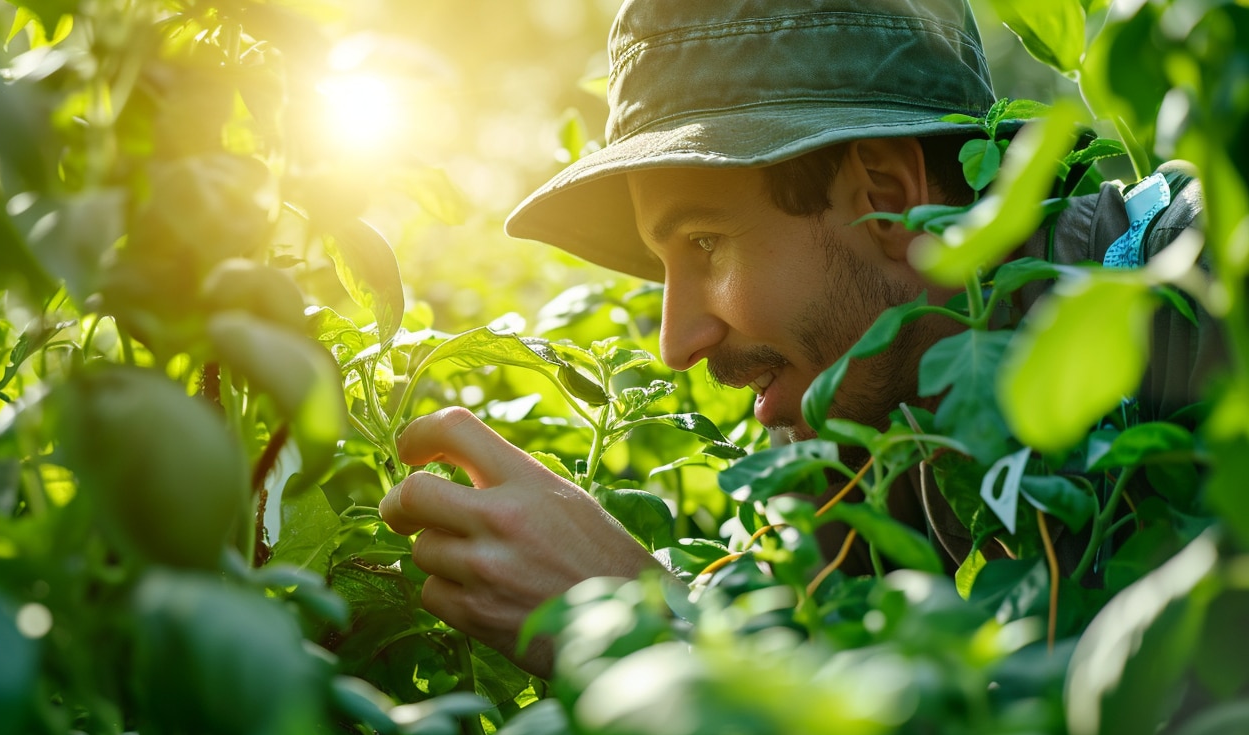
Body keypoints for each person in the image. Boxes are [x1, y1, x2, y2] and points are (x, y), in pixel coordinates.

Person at [378, 0, 1222, 676]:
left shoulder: (1207, 304)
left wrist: (634, 634)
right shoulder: (855, 429)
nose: (676, 341)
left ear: (886, 194)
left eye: (705, 243)